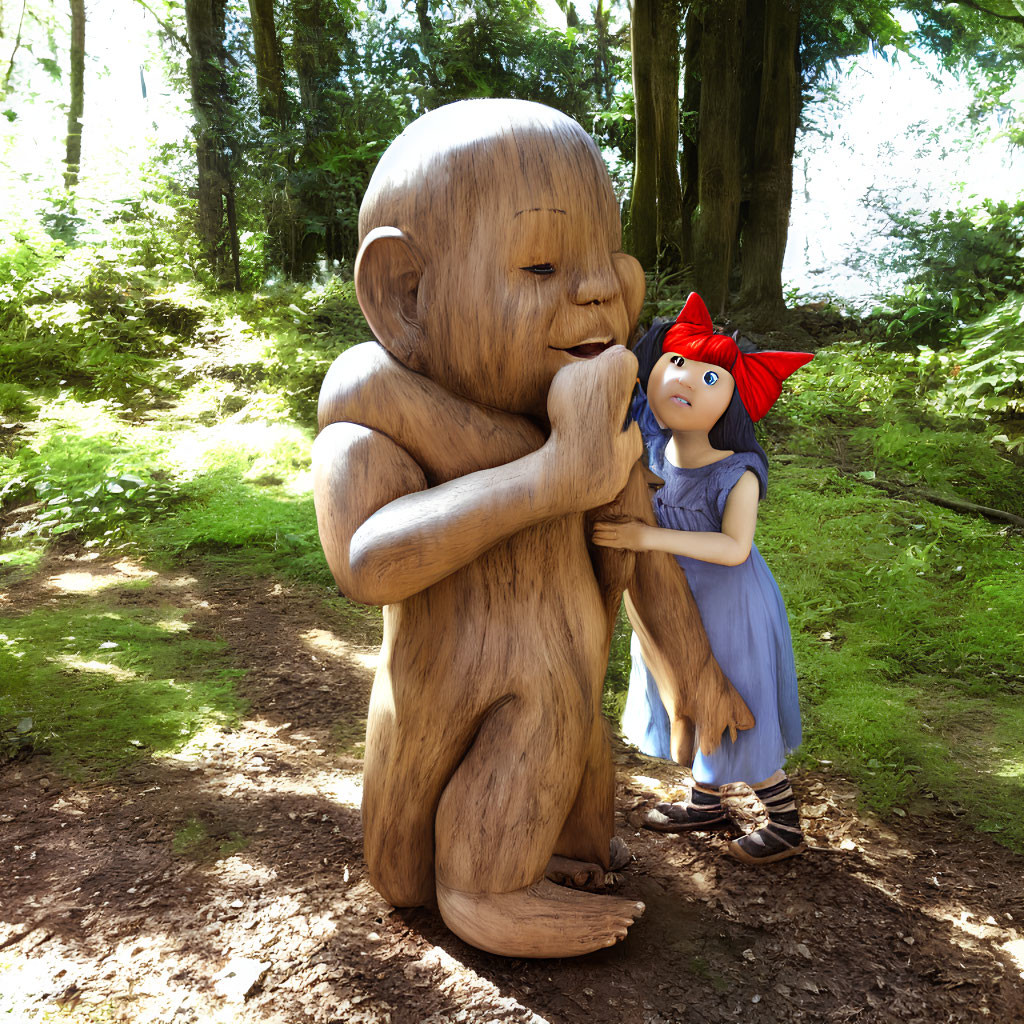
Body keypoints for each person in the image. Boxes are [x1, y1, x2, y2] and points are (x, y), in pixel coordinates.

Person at [593, 291, 813, 865]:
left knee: (732, 698)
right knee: (683, 689)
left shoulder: (737, 473)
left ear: (736, 404)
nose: (684, 379)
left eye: (711, 377)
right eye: (678, 362)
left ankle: (784, 821)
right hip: (673, 596)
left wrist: (646, 539)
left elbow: (735, 547)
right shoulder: (657, 448)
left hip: (730, 603)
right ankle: (707, 800)